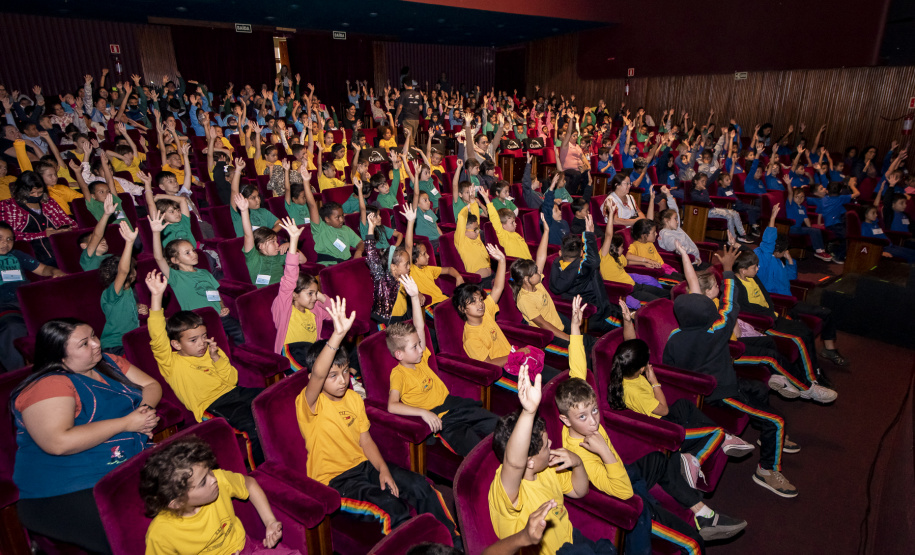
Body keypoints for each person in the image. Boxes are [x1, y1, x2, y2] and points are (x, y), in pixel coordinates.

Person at [559, 298, 747, 553]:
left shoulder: (577, 396)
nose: (593, 420)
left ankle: (702, 512)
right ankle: (695, 524)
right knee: (692, 542)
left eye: (594, 410)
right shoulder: (582, 451)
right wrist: (603, 450)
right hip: (618, 490)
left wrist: (574, 327)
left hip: (622, 467)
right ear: (565, 420)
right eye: (583, 417)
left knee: (661, 459)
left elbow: (577, 365)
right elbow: (622, 492)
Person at [295, 296, 461, 546]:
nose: (342, 381)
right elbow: (318, 374)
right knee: (390, 508)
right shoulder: (309, 402)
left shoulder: (352, 399)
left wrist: (383, 469)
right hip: (337, 481)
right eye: (333, 376)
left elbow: (365, 439)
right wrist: (337, 337)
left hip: (366, 466)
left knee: (420, 486)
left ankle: (453, 545)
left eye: (344, 373)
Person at [11, 318, 161, 554]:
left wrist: (143, 411)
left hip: (121, 465)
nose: (96, 344)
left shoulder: (108, 362)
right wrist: (127, 423)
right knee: (138, 537)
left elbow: (151, 385)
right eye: (84, 343)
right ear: (60, 357)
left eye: (93, 335)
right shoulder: (49, 385)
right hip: (64, 488)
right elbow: (58, 442)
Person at [664, 246, 800, 498]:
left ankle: (768, 435)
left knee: (759, 388)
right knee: (777, 420)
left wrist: (685, 259)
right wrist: (727, 271)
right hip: (722, 392)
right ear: (707, 313)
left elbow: (693, 301)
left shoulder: (675, 336)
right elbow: (730, 302)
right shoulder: (716, 331)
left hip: (713, 385)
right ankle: (767, 470)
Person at [145, 269, 264, 465]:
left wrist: (217, 357)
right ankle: (261, 469)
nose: (202, 343)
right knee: (253, 427)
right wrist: (156, 298)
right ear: (176, 345)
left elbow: (232, 381)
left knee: (271, 401)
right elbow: (157, 336)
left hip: (235, 392)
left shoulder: (211, 350)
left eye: (203, 336)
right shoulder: (171, 362)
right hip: (212, 405)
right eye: (193, 340)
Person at [488, 366, 607, 555]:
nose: (551, 443)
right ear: (529, 462)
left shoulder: (547, 467)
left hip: (573, 540)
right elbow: (514, 463)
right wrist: (528, 412)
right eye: (545, 446)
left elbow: (579, 490)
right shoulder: (508, 491)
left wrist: (578, 463)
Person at [386, 274, 498, 455]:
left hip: (454, 405)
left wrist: (415, 298)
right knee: (478, 450)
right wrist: (423, 413)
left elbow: (419, 327)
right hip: (441, 419)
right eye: (415, 347)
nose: (421, 349)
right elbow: (392, 405)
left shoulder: (419, 358)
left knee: (499, 426)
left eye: (419, 344)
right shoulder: (398, 374)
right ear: (399, 354)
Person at [140, 436, 300, 555]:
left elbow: (249, 484)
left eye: (209, 470)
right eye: (203, 482)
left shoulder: (220, 480)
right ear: (177, 503)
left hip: (248, 549)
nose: (213, 479)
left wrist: (270, 521)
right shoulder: (161, 533)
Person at [511, 214, 596, 359]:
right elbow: (543, 324)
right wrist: (568, 338)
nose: (540, 272)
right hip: (550, 335)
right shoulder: (524, 299)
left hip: (559, 322)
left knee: (591, 343)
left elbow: (541, 257)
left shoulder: (535, 283)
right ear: (526, 279)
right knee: (582, 353)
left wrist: (547, 232)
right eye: (536, 272)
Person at [0, 170, 75, 265]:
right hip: (33, 255)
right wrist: (42, 234)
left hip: (60, 248)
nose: (36, 196)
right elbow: (9, 236)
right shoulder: (6, 206)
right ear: (21, 191)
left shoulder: (49, 202)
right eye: (32, 193)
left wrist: (65, 229)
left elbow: (71, 223)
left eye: (40, 192)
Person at [600, 203, 668, 303]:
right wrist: (611, 215)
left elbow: (628, 263)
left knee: (665, 294)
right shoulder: (604, 257)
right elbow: (609, 235)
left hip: (635, 285)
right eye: (621, 247)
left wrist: (645, 263)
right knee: (659, 301)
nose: (623, 249)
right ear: (613, 248)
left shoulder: (619, 256)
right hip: (628, 291)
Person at [299, 166, 364, 265]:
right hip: (328, 265)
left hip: (346, 264)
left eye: (342, 216)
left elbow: (360, 243)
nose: (342, 219)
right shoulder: (320, 228)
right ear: (327, 219)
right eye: (337, 217)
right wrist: (306, 182)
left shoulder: (346, 229)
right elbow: (312, 205)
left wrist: (359, 251)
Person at [402, 203, 462, 310]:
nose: (429, 256)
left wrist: (458, 277)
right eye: (424, 254)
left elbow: (449, 270)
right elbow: (408, 246)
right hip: (431, 306)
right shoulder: (411, 270)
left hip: (444, 300)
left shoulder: (428, 269)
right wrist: (411, 222)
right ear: (414, 259)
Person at [98, 221, 146, 356]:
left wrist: (135, 307)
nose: (136, 272)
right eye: (133, 269)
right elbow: (123, 271)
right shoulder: (111, 292)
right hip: (114, 346)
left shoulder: (128, 290)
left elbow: (120, 309)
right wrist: (129, 243)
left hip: (129, 340)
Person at [235, 193, 285, 288]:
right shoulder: (253, 257)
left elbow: (303, 260)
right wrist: (244, 211)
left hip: (283, 291)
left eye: (276, 241)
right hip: (265, 295)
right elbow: (248, 235)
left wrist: (291, 246)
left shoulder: (277, 254)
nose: (277, 244)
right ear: (261, 246)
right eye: (273, 242)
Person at [396, 80, 423, 149]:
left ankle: (412, 154)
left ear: (405, 85)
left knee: (409, 138)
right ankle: (412, 153)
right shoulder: (418, 94)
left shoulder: (404, 93)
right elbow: (420, 108)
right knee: (412, 139)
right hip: (416, 119)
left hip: (407, 118)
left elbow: (400, 107)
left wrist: (396, 117)